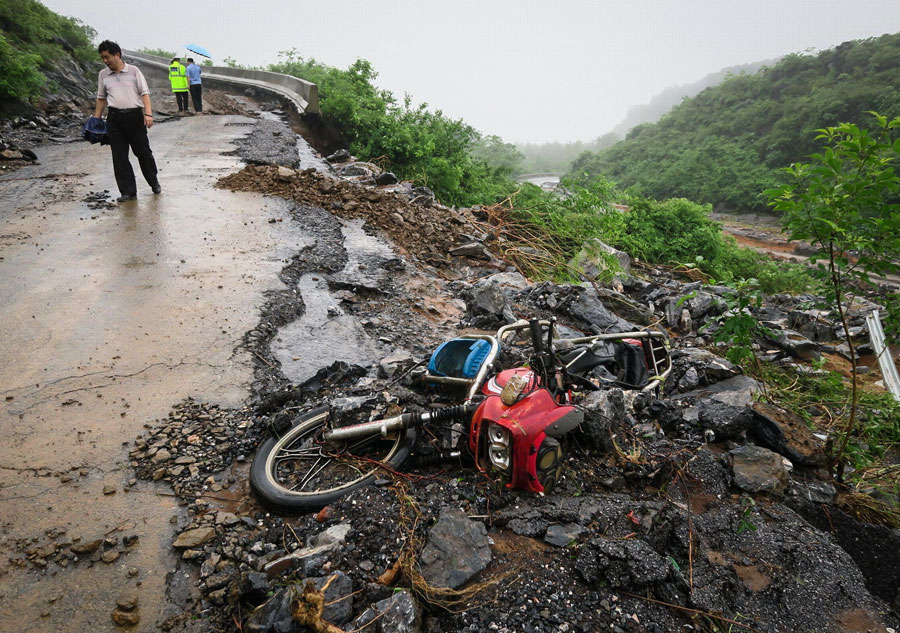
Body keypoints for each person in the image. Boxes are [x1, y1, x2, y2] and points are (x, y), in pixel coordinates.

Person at [93, 40, 161, 202]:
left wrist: (148, 114)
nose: (105, 61)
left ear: (117, 55)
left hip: (135, 117)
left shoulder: (134, 71)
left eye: (107, 57)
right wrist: (96, 118)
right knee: (119, 156)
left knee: (143, 153)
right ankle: (128, 192)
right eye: (102, 58)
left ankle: (154, 182)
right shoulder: (103, 75)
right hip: (114, 118)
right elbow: (101, 98)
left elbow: (144, 93)